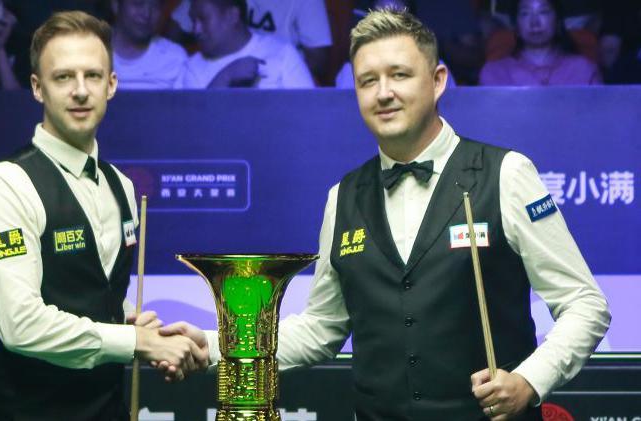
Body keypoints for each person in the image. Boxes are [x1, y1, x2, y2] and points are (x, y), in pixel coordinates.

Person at [165, 7, 611, 420]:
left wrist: (529, 381)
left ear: (437, 80)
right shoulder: (343, 197)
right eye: (367, 80)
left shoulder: (504, 174)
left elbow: (584, 304)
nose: (384, 93)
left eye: (399, 75)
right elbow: (321, 328)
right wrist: (219, 348)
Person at [0, 11, 207, 420]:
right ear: (38, 89)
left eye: (93, 76)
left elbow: (88, 291)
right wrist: (135, 341)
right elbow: (20, 325)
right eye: (63, 77)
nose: (80, 91)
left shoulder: (121, 187)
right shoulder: (5, 186)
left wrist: (132, 321)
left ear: (111, 85)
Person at [168, 0, 331, 79]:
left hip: (276, 80)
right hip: (214, 70)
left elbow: (320, 61)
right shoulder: (194, 69)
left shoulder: (285, 57)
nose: (197, 28)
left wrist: (274, 75)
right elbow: (170, 36)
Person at [479, 0, 601, 86]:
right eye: (525, 13)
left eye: (543, 12)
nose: (534, 23)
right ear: (516, 25)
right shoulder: (495, 72)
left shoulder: (583, 69)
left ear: (557, 21)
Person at [111, 0, 187, 90]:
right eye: (138, 4)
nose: (146, 14)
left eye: (155, 6)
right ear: (116, 5)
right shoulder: (92, 53)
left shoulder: (175, 58)